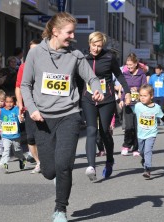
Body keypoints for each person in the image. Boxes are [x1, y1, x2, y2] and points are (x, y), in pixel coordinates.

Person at [20, 12, 103, 222]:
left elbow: (91, 77)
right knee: (49, 171)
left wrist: (96, 89)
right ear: (55, 32)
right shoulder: (36, 53)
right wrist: (31, 108)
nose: (73, 36)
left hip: (69, 115)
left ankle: (60, 209)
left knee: (64, 165)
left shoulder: (75, 55)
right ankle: (56, 179)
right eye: (69, 32)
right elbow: (25, 85)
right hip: (42, 118)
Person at [81, 31, 131, 181]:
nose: (96, 48)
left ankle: (109, 160)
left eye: (99, 46)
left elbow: (119, 75)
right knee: (90, 130)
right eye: (93, 45)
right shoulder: (83, 59)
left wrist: (126, 92)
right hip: (88, 99)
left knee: (104, 132)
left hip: (106, 99)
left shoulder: (109, 57)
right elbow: (77, 80)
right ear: (89, 43)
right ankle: (91, 166)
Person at [15, 39, 41, 174]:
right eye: (32, 50)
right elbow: (18, 87)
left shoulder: (48, 65)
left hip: (46, 106)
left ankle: (48, 159)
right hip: (29, 106)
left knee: (45, 136)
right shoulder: (23, 67)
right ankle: (38, 162)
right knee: (30, 137)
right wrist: (20, 105)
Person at [134, 84, 164, 179]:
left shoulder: (156, 108)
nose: (142, 98)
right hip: (141, 134)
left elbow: (162, 117)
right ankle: (144, 160)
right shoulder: (138, 106)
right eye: (141, 95)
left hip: (151, 133)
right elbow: (130, 110)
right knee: (142, 151)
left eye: (145, 96)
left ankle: (147, 169)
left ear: (151, 96)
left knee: (148, 151)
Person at [120, 53, 147, 156]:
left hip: (138, 104)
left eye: (130, 64)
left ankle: (136, 148)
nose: (129, 67)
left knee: (137, 127)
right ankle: (126, 145)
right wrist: (122, 99)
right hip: (128, 102)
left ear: (136, 64)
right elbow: (123, 89)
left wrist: (138, 89)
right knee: (128, 127)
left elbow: (145, 88)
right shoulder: (125, 74)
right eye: (127, 65)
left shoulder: (142, 75)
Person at [0, 94, 26, 174]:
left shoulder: (16, 109)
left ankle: (22, 159)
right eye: (7, 102)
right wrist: (0, 130)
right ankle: (5, 165)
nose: (9, 104)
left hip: (15, 135)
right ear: (4, 102)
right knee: (6, 150)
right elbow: (0, 121)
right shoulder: (2, 111)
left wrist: (21, 118)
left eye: (11, 102)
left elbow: (21, 119)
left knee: (17, 151)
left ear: (13, 102)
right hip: (6, 136)